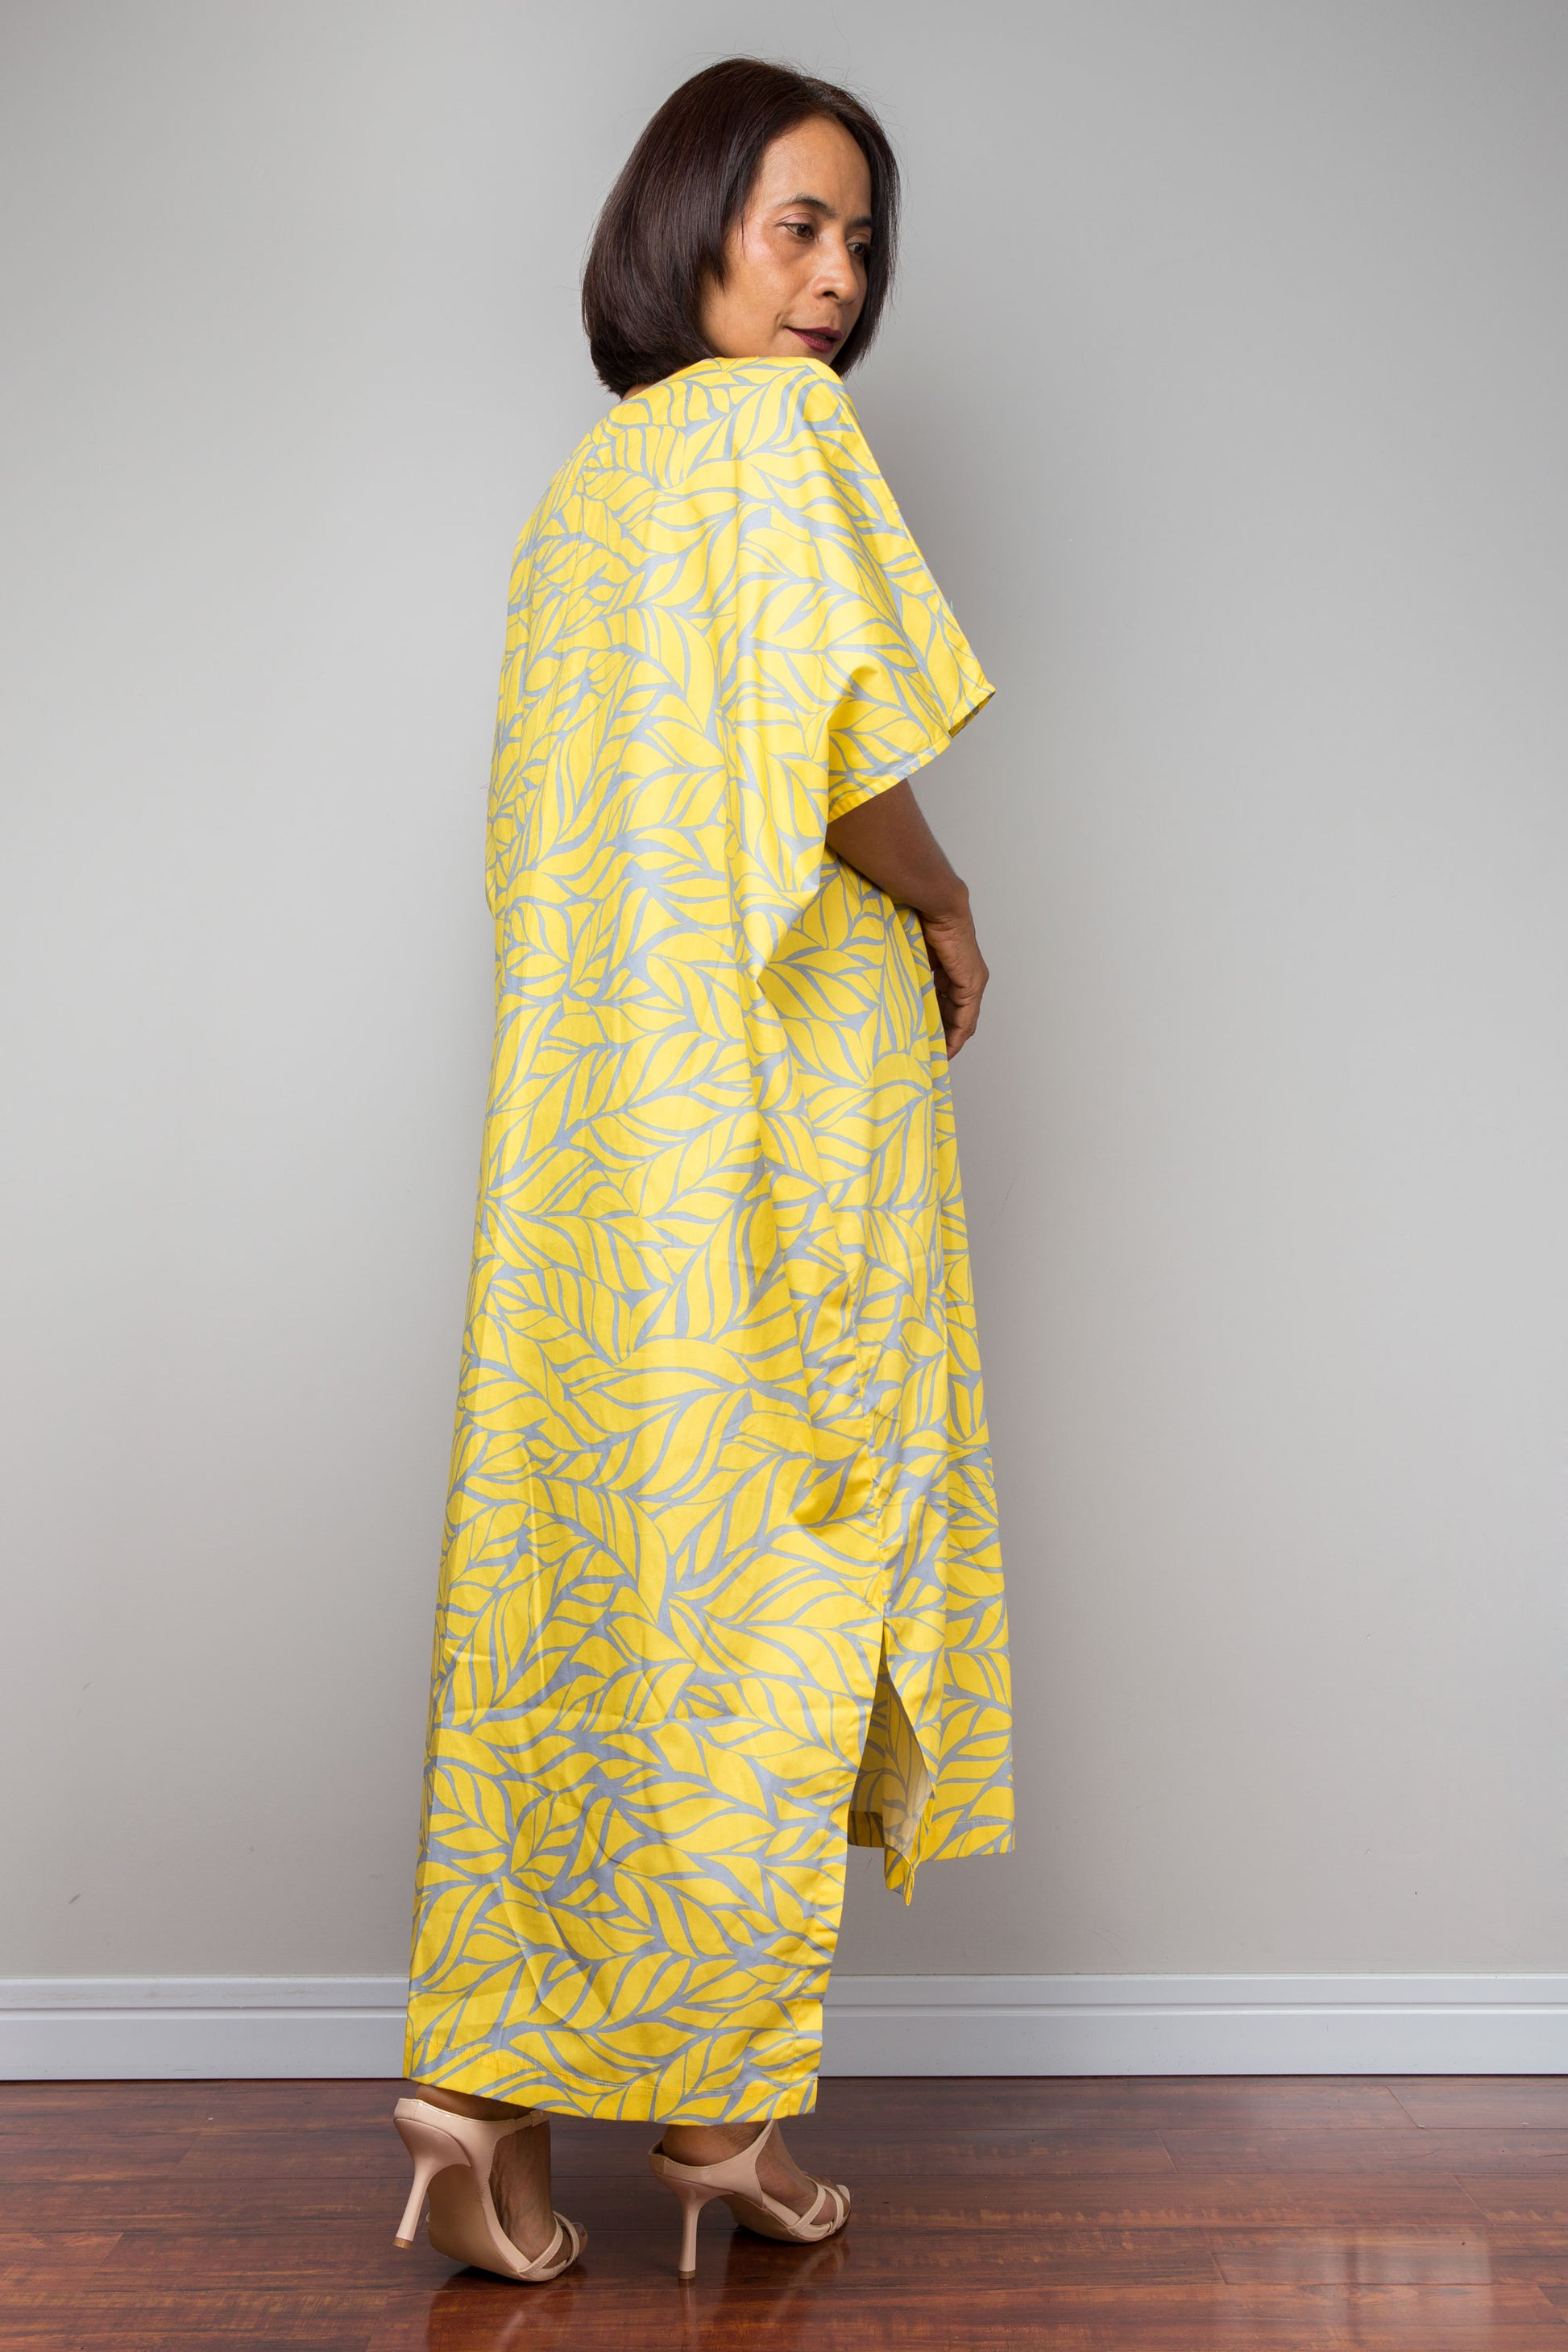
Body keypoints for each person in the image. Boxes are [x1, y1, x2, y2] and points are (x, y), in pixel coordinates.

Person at [392, 55, 1014, 2285]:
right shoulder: (773, 440)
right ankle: (713, 2103)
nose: (835, 280)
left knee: (600, 1593)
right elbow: (845, 762)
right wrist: (943, 908)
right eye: (797, 225)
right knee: (787, 1569)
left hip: (593, 1135)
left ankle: (506, 2091)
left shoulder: (585, 496)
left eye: (861, 241)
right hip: (769, 1101)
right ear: (691, 227)